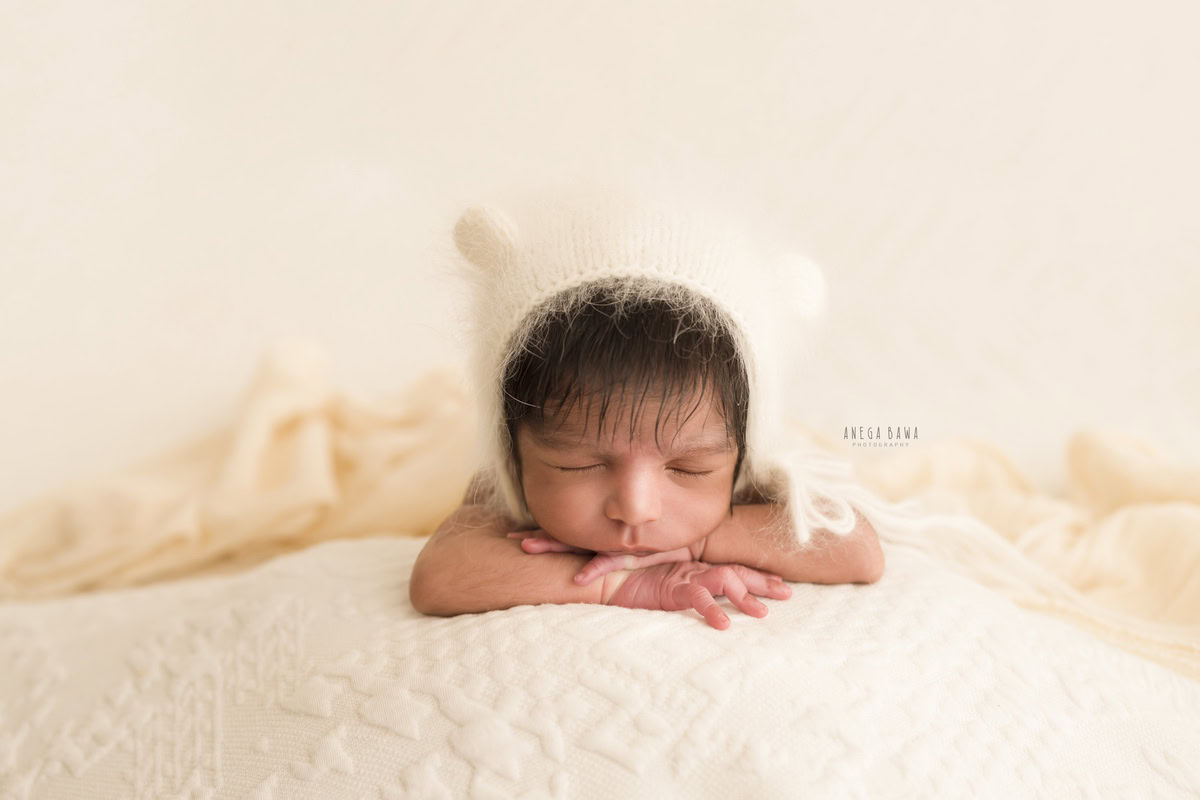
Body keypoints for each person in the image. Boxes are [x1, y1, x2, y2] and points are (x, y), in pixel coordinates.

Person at [410, 182, 885, 630]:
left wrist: (704, 541)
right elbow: (439, 579)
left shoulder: (752, 485)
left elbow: (859, 550)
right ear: (514, 448)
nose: (636, 508)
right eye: (580, 464)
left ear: (739, 451)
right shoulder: (508, 492)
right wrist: (622, 582)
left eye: (689, 468)